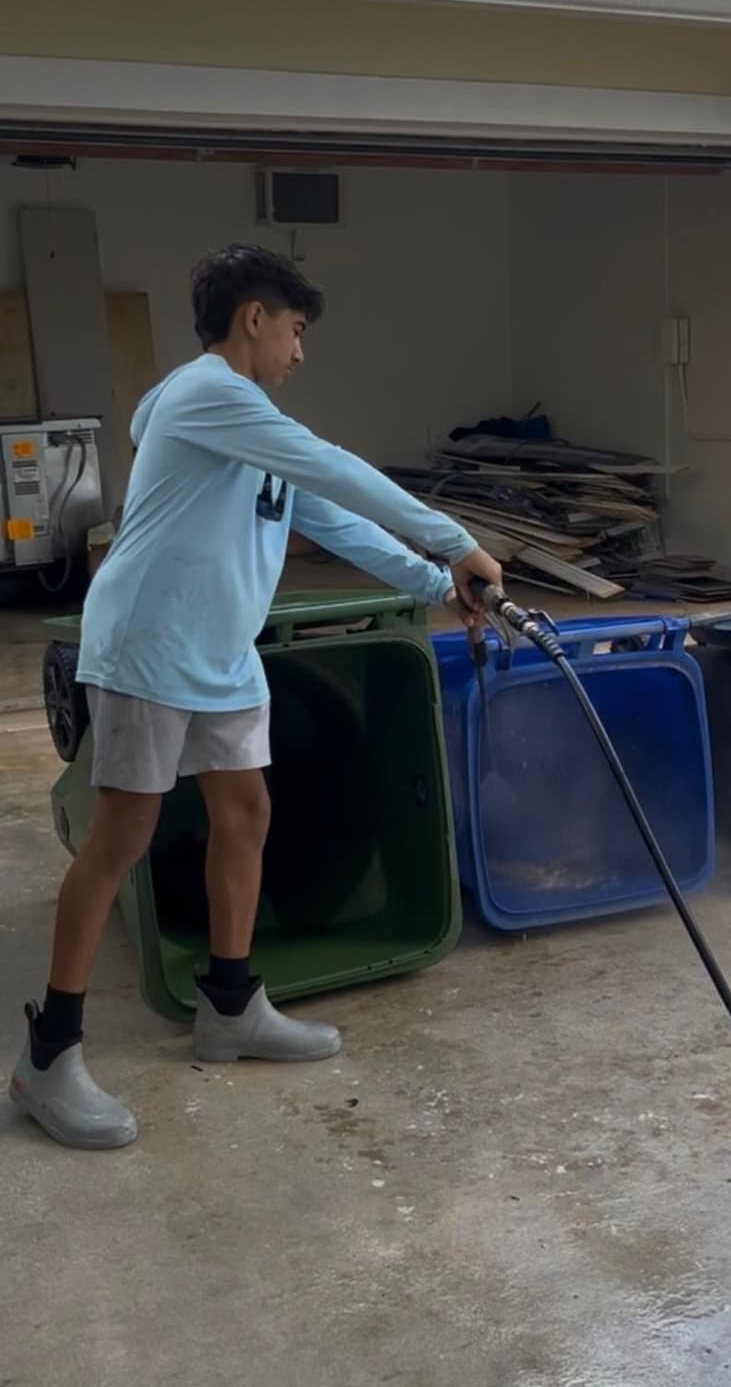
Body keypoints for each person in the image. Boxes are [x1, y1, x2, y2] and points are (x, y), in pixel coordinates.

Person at [9, 244, 500, 1151]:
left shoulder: (243, 425)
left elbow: (330, 513)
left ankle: (229, 1004)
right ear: (254, 318)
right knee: (123, 833)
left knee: (246, 810)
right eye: (296, 330)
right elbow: (340, 468)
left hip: (221, 650)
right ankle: (47, 1058)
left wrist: (437, 581)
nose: (299, 352)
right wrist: (460, 539)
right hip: (150, 643)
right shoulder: (209, 396)